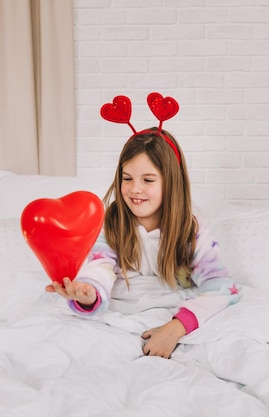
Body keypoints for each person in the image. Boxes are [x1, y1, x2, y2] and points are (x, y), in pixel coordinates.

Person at [47, 94, 239, 359]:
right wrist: (86, 293)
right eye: (127, 178)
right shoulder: (110, 223)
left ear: (171, 183)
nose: (135, 189)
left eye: (148, 180)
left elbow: (219, 285)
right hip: (119, 316)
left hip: (172, 316)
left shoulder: (189, 229)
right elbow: (99, 268)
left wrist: (174, 329)